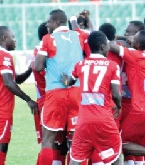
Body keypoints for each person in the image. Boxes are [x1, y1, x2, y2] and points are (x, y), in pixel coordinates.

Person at [34, 9, 88, 165]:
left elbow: (37, 66)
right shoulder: (80, 36)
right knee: (77, 140)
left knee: (48, 140)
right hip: (77, 91)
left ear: (56, 22)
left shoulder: (48, 38)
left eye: (49, 21)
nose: (47, 24)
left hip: (55, 93)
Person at [61, 31, 122, 165]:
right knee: (116, 156)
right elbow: (116, 94)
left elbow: (69, 82)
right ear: (102, 47)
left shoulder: (80, 65)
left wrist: (65, 81)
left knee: (75, 159)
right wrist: (119, 106)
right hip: (104, 120)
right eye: (107, 45)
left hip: (84, 121)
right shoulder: (112, 66)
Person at [109, 30, 145, 165]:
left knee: (118, 144)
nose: (131, 39)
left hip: (141, 111)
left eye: (134, 38)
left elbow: (111, 45)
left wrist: (122, 38)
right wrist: (134, 40)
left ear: (138, 43)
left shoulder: (134, 56)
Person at [0, 26, 38, 165]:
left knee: (0, 147)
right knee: (0, 148)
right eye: (12, 37)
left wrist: (29, 70)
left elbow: (15, 79)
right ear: (4, 38)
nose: (15, 40)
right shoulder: (4, 56)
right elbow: (9, 83)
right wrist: (28, 100)